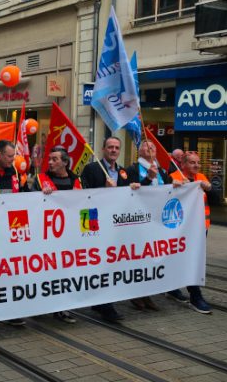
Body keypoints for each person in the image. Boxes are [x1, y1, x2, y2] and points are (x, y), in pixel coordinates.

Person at [119, 140, 181, 311]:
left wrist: (174, 185)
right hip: (138, 221)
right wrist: (147, 179)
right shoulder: (131, 170)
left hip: (157, 221)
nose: (150, 147)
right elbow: (126, 193)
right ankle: (136, 294)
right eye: (146, 146)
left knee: (152, 258)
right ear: (139, 151)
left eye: (153, 146)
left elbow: (168, 190)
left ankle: (147, 292)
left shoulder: (161, 170)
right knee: (138, 258)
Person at [33, 147, 81, 324]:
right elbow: (28, 203)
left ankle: (63, 308)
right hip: (46, 236)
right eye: (50, 159)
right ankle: (40, 305)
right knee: (45, 272)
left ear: (65, 162)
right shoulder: (40, 180)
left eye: (55, 159)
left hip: (71, 236)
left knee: (67, 272)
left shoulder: (77, 181)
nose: (50, 162)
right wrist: (39, 196)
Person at [80, 137, 126, 322]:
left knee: (110, 263)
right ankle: (105, 305)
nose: (113, 150)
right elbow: (84, 195)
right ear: (103, 149)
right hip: (93, 222)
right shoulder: (92, 168)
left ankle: (101, 302)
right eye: (110, 147)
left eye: (116, 148)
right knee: (99, 263)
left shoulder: (122, 171)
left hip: (113, 223)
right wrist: (104, 190)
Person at [167, 151, 212, 314]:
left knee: (193, 259)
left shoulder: (200, 177)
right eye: (192, 162)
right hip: (180, 229)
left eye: (198, 162)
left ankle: (183, 291)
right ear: (183, 164)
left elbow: (211, 191)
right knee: (183, 258)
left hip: (201, 228)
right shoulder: (173, 176)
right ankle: (195, 295)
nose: (196, 165)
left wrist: (208, 187)